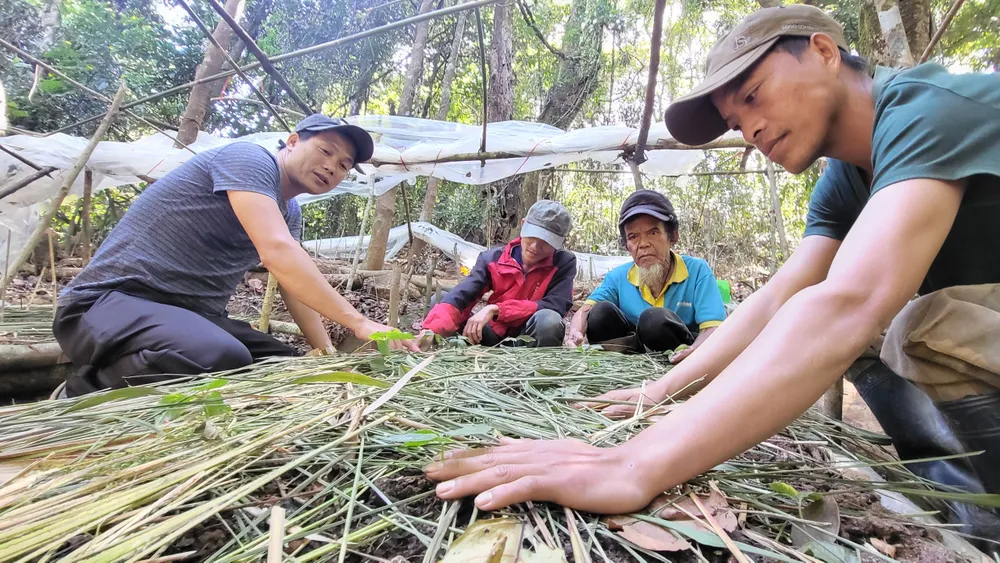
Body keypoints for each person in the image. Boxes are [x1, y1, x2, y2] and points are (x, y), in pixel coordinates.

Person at [422, 4, 1000, 521]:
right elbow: (781, 298)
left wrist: (635, 463)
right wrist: (662, 390)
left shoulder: (925, 111)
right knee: (882, 334)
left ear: (823, 52)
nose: (749, 130)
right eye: (734, 121)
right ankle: (961, 496)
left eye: (752, 96)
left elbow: (846, 304)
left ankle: (985, 507)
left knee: (914, 327)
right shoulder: (844, 180)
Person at [55, 114, 418, 397]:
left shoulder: (289, 212)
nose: (331, 167)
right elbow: (277, 253)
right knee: (220, 356)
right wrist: (358, 322)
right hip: (106, 307)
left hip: (189, 318)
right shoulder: (248, 159)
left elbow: (292, 286)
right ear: (292, 142)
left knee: (284, 367)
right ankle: (82, 392)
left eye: (343, 165)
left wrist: (325, 355)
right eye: (325, 151)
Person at [565, 190, 725, 361]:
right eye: (633, 237)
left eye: (653, 232)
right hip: (633, 360)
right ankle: (620, 369)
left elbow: (713, 328)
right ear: (627, 245)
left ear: (673, 236)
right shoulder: (619, 277)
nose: (643, 244)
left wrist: (694, 351)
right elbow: (585, 310)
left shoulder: (696, 271)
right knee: (599, 313)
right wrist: (575, 333)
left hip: (680, 358)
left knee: (653, 320)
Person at [420, 200, 576, 347]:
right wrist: (430, 330)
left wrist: (496, 309)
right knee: (441, 301)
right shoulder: (492, 258)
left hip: (530, 338)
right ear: (523, 225)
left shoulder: (563, 263)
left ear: (560, 242)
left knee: (549, 320)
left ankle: (533, 369)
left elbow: (556, 305)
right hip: (490, 334)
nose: (535, 246)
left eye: (546, 242)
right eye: (532, 236)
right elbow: (464, 295)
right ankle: (449, 348)